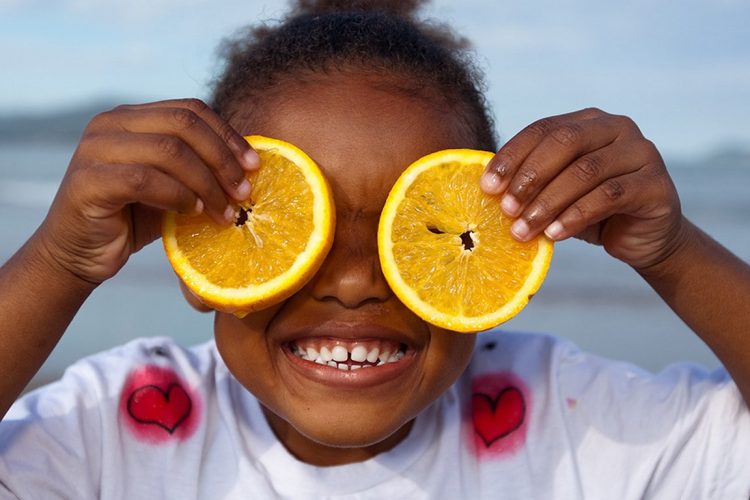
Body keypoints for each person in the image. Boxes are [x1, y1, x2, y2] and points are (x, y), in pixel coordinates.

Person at [0, 0, 748, 498]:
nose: (356, 284)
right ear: (200, 251)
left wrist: (672, 251)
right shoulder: (118, 427)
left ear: (490, 251)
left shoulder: (579, 422)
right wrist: (61, 264)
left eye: (417, 233)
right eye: (303, 233)